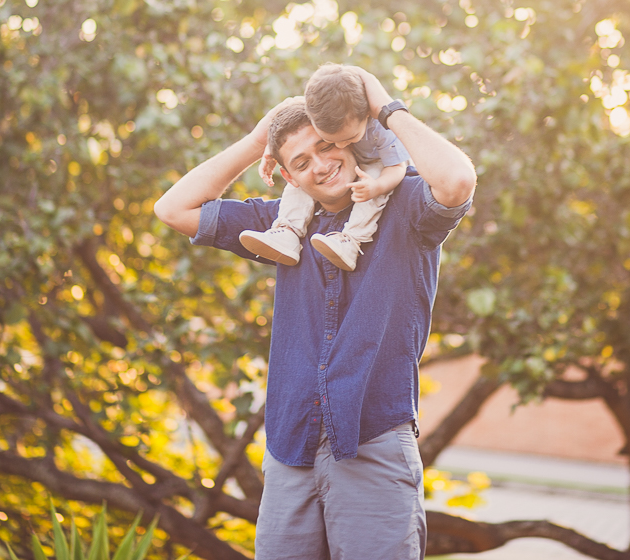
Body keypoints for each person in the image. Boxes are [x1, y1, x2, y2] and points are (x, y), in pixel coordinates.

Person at [153, 67, 476, 560]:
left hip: (373, 440)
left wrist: (384, 107)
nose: (320, 165)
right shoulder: (277, 224)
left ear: (349, 140)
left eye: (326, 146)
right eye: (300, 161)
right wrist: (260, 136)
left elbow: (456, 180)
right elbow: (172, 209)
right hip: (291, 449)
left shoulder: (407, 203)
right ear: (286, 176)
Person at [240, 63, 410, 271]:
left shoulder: (383, 128)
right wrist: (269, 149)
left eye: (347, 139)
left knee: (371, 184)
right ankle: (288, 231)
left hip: (380, 165)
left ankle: (352, 240)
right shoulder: (326, 109)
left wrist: (378, 186)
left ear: (367, 113)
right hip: (353, 161)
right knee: (298, 184)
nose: (340, 145)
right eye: (330, 141)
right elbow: (290, 121)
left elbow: (397, 168)